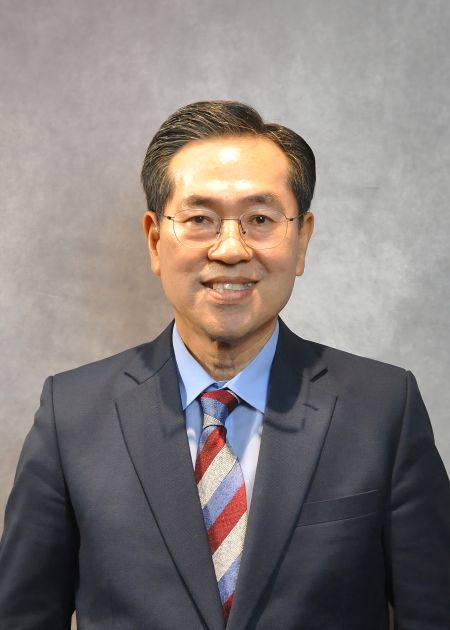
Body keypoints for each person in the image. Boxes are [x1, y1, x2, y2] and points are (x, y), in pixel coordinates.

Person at [0, 101, 449, 630]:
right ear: (155, 241)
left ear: (301, 240)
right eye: (199, 219)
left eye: (260, 219)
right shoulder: (71, 415)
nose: (231, 249)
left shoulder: (383, 409)